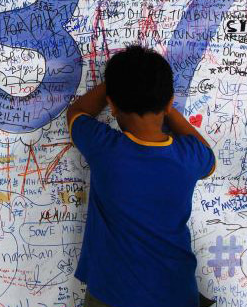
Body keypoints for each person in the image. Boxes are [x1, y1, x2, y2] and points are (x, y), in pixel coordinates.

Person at [67, 45, 216, 307]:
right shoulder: (188, 156)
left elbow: (76, 113)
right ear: (169, 101)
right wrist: (165, 105)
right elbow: (207, 155)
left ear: (112, 104)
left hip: (113, 294)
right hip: (176, 291)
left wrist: (113, 86)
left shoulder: (105, 149)